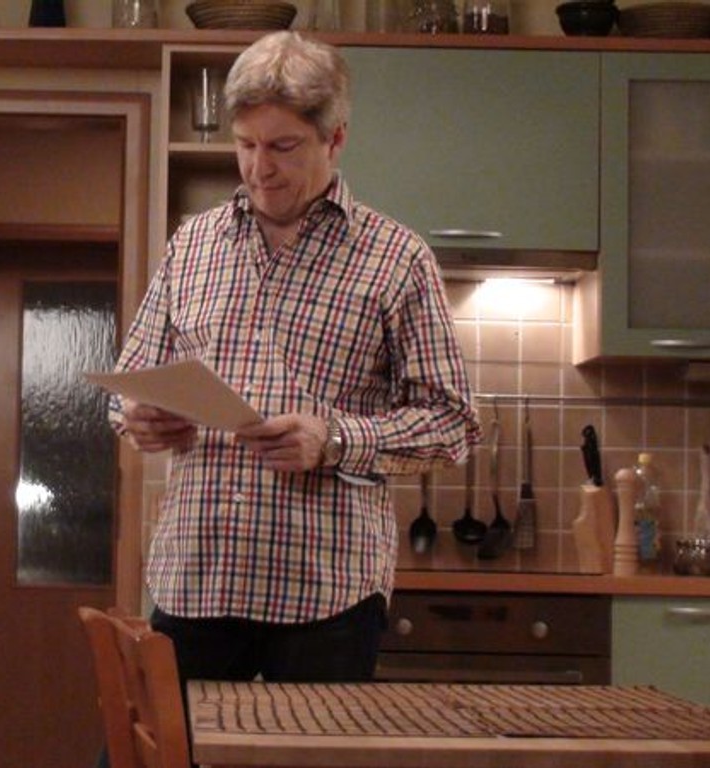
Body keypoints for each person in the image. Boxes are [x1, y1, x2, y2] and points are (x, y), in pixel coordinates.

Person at [108, 29, 480, 702]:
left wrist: (332, 440)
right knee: (152, 748)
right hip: (197, 579)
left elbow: (452, 424)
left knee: (313, 754)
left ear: (335, 140)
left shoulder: (398, 259)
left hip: (326, 595)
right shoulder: (192, 245)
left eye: (283, 147)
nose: (259, 169)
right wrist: (140, 417)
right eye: (245, 145)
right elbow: (129, 384)